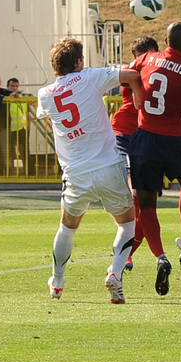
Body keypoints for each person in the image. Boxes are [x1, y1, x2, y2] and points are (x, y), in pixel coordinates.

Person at [35, 38, 142, 304]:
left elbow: (51, 122)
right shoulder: (91, 76)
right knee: (127, 224)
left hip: (76, 171)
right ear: (79, 61)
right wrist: (138, 96)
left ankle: (57, 282)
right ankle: (115, 272)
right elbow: (132, 75)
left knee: (68, 227)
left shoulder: (45, 94)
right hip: (108, 165)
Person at [128, 22, 181, 296]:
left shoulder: (147, 58)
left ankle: (160, 256)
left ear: (165, 40)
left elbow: (127, 73)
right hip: (174, 140)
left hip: (146, 139)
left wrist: (136, 90)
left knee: (147, 204)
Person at [111, 36, 159, 270]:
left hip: (147, 137)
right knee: (134, 196)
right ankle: (126, 252)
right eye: (144, 56)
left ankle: (128, 252)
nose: (148, 60)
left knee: (146, 200)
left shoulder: (159, 71)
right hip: (124, 134)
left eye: (151, 56)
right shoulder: (132, 71)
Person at [6, 77, 30, 176]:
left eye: (16, 86)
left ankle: (28, 173)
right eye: (12, 86)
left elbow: (27, 114)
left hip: (22, 129)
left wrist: (28, 129)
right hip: (11, 129)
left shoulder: (22, 98)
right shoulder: (6, 98)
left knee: (25, 153)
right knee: (11, 153)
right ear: (7, 87)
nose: (14, 88)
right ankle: (11, 173)